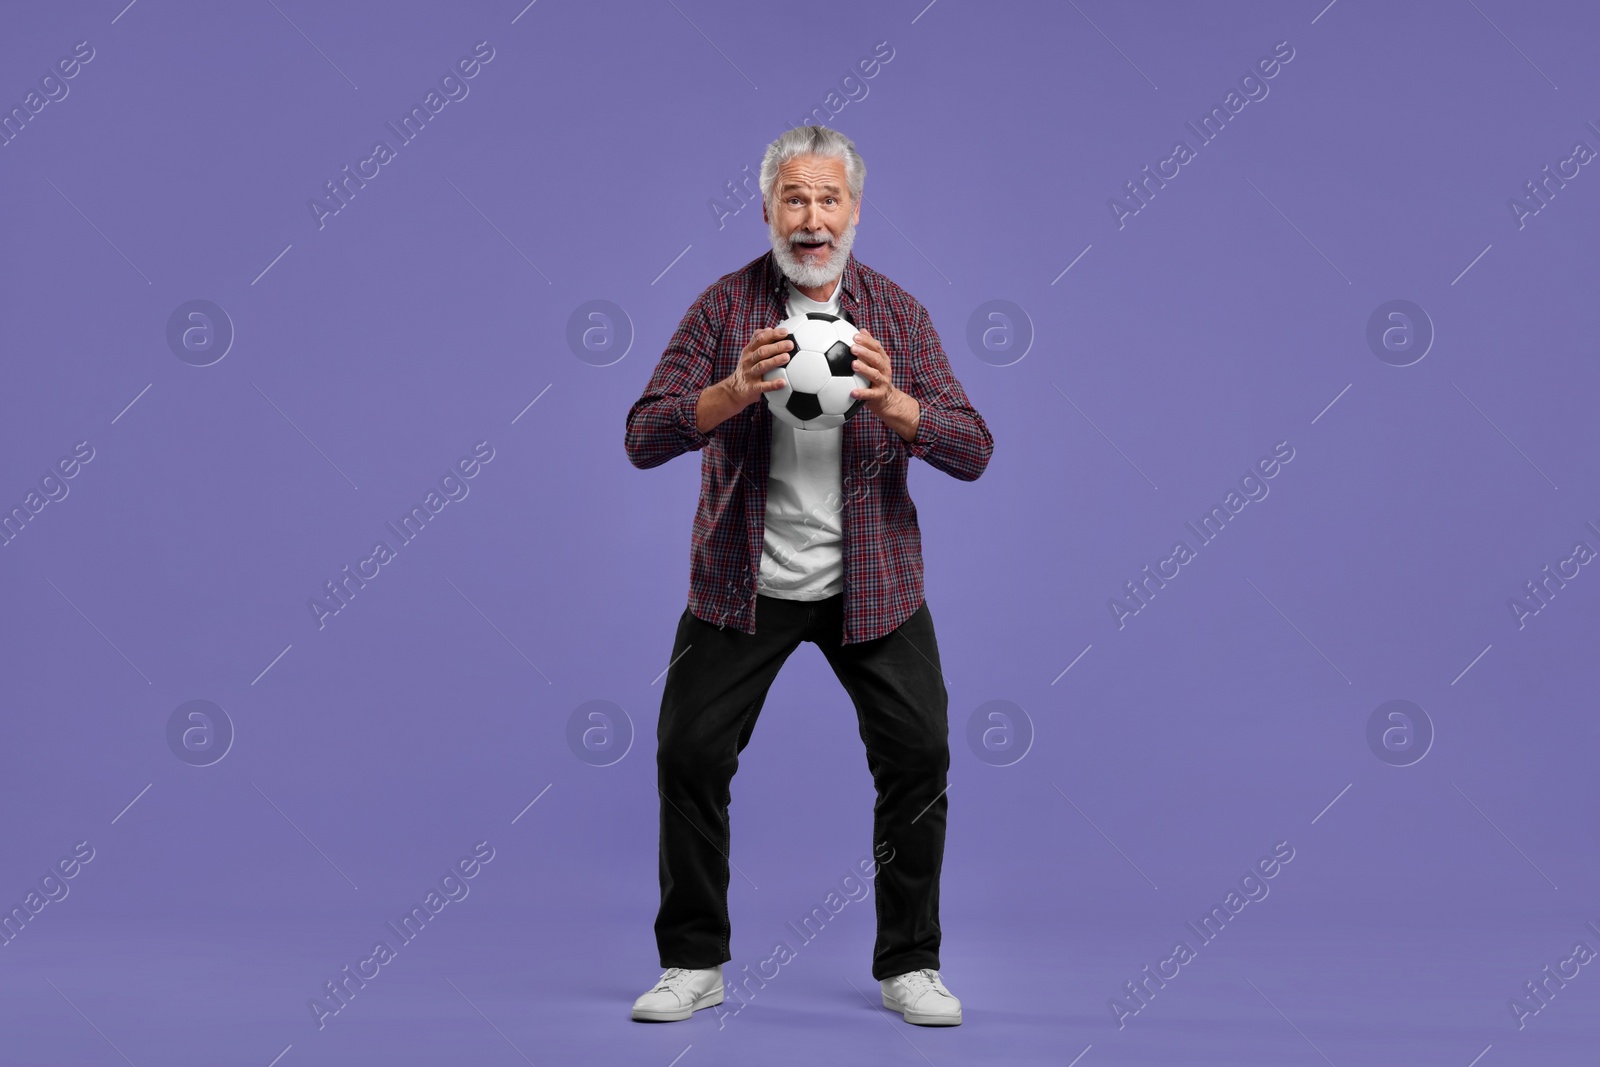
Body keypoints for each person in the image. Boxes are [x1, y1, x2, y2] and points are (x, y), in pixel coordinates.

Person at [623, 125, 994, 1027]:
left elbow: (974, 448)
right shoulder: (722, 310)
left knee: (920, 755)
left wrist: (899, 405)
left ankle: (910, 963)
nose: (813, 219)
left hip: (874, 582)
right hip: (740, 582)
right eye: (795, 199)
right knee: (688, 753)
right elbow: (643, 435)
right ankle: (693, 960)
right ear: (767, 212)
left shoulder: (896, 316)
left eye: (830, 200)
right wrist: (731, 393)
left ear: (855, 211)